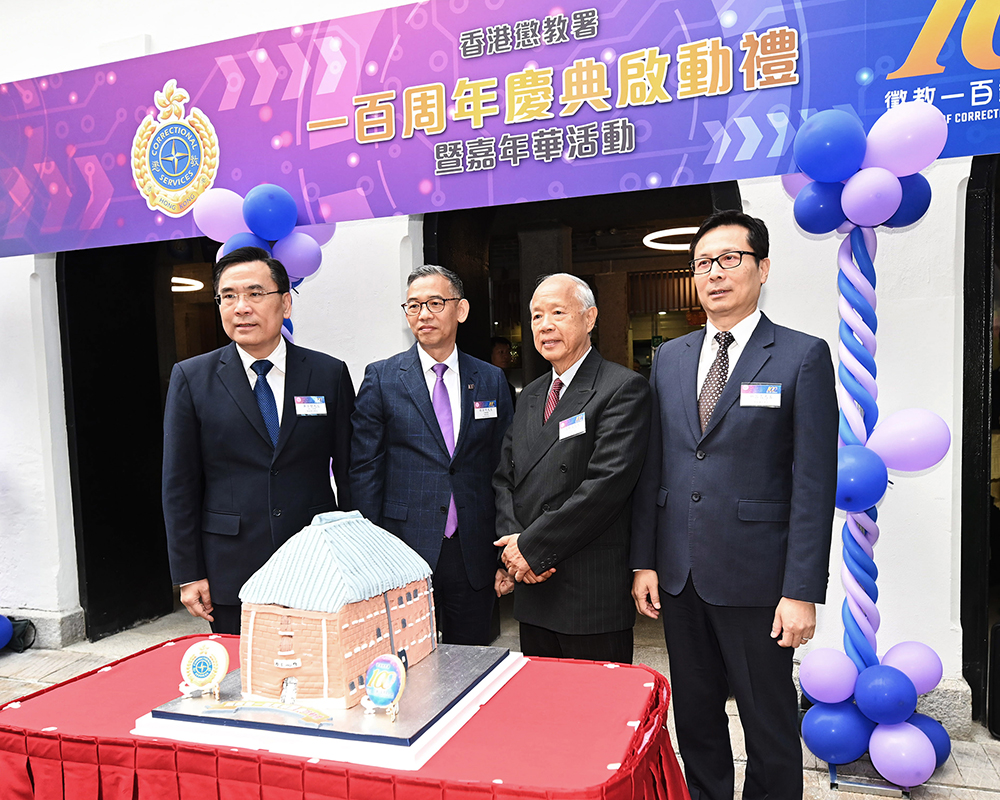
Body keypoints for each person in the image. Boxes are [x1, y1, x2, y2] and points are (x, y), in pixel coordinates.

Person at [630, 210, 838, 800]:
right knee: (695, 718)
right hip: (680, 573)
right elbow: (656, 467)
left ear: (762, 267)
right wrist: (645, 560)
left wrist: (801, 591)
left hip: (758, 578)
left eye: (730, 260)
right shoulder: (670, 358)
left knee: (767, 723)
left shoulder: (801, 356)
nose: (714, 274)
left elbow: (813, 483)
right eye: (702, 263)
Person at [162, 246, 355, 635]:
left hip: (316, 564)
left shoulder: (327, 374)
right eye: (228, 296)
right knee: (243, 681)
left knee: (319, 680)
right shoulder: (191, 378)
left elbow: (352, 472)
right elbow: (179, 485)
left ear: (285, 303)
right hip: (230, 570)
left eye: (254, 293)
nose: (241, 307)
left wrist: (355, 555)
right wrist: (188, 572)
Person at [350, 265, 513, 645]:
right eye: (413, 306)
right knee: (407, 666)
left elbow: (504, 468)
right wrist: (370, 553)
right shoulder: (382, 377)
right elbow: (364, 470)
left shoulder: (490, 379)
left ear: (461, 310)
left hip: (474, 548)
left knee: (471, 661)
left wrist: (505, 547)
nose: (424, 315)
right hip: (402, 547)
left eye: (435, 303)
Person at [493, 273, 650, 663]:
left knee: (599, 717)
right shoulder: (529, 396)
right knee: (545, 715)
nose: (545, 325)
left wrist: (532, 548)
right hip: (533, 586)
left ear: (590, 317)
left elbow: (606, 486)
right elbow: (504, 478)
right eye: (536, 316)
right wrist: (513, 549)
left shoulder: (621, 388)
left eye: (558, 312)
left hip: (588, 592)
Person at [490, 335, 518, 407]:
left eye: (508, 352)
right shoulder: (484, 381)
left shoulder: (508, 385)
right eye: (501, 352)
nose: (506, 356)